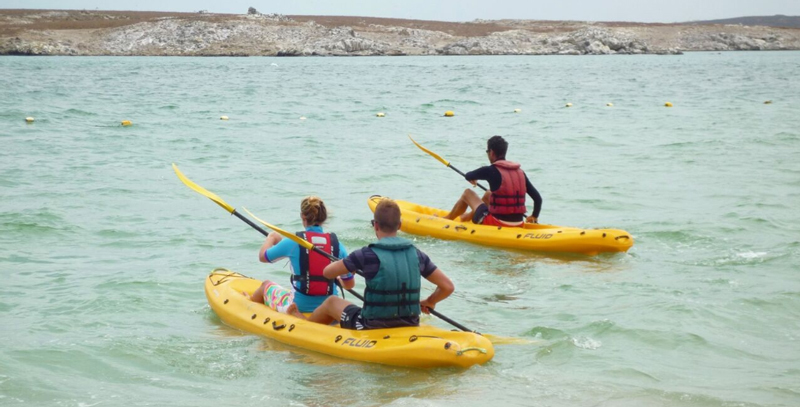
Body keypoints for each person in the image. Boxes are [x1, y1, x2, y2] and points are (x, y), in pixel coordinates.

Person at [288, 198, 454, 330]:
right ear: (400, 225)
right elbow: (447, 286)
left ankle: (306, 325)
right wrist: (430, 300)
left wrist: (349, 266)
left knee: (331, 302)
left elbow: (327, 273)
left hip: (371, 325)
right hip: (410, 322)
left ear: (375, 225)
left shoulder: (366, 254)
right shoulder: (416, 254)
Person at [249, 196, 353, 314]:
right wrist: (337, 278)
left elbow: (263, 257)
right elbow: (349, 284)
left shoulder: (293, 242)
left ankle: (248, 306)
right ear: (324, 218)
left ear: (303, 216)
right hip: (328, 309)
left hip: (299, 307)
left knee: (265, 285)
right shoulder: (337, 245)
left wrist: (271, 238)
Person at [444, 135, 542, 227]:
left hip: (496, 222)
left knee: (467, 193)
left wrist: (473, 178)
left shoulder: (491, 170)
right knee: (488, 194)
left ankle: (447, 219)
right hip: (518, 222)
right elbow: (538, 199)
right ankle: (466, 218)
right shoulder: (520, 172)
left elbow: (468, 175)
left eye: (487, 152)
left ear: (491, 152)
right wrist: (534, 216)